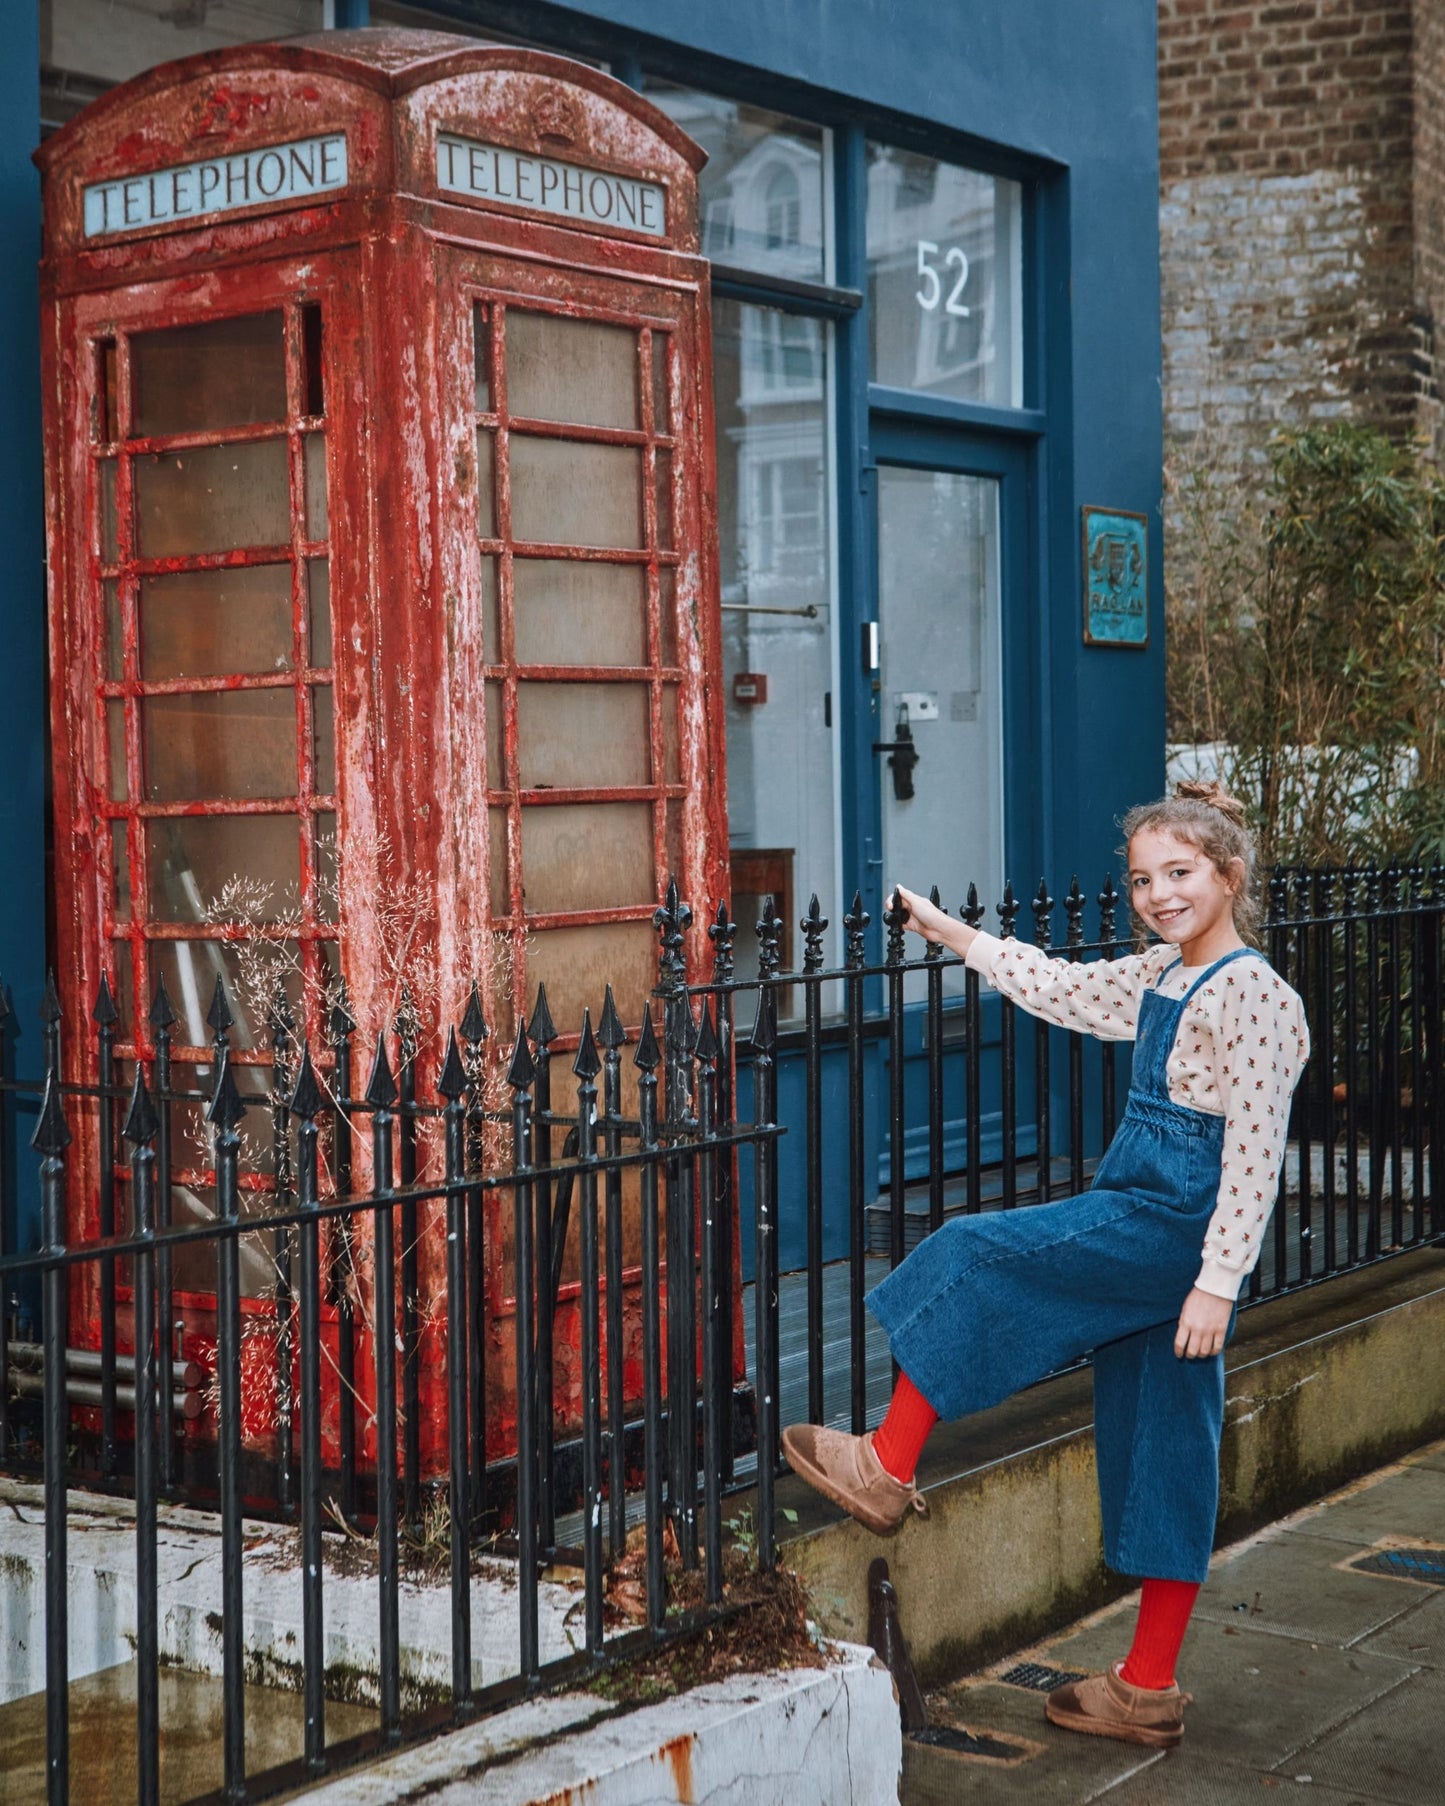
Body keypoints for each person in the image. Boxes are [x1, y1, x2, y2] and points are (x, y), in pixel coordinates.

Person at [780, 780, 1309, 1749]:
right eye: (1144, 878)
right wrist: (949, 935)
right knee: (1166, 1442)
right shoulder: (1162, 974)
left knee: (974, 1252)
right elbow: (1061, 989)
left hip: (1169, 1227)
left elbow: (1254, 1151)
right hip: (1148, 1217)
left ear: (1227, 877)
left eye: (1179, 873)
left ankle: (885, 1465)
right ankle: (1144, 1686)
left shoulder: (1259, 999)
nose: (1158, 894)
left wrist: (1215, 1281)